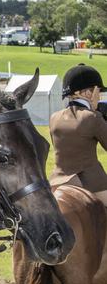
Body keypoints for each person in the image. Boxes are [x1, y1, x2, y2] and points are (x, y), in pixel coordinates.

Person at [50, 63, 107, 208]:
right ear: (87, 93)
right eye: (98, 90)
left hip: (57, 182)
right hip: (91, 183)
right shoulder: (92, 117)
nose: (99, 96)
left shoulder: (54, 118)